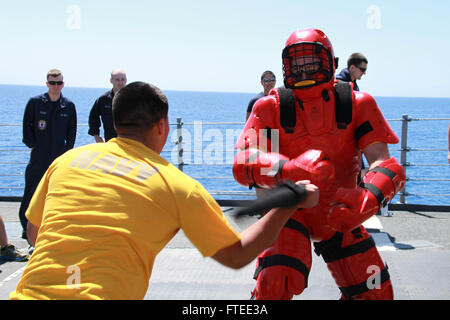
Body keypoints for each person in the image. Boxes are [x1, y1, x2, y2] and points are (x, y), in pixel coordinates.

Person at [10, 81, 319, 300]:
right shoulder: (178, 187)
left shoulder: (67, 161)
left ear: (116, 124)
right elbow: (237, 255)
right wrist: (290, 200)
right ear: (162, 126)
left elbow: (35, 232)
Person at [233, 29, 405, 300]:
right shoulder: (270, 108)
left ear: (330, 63)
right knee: (274, 284)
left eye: (311, 63)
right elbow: (244, 161)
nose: (304, 72)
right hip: (289, 212)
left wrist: (367, 199)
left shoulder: (357, 104)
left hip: (341, 212)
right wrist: (286, 168)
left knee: (375, 294)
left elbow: (385, 164)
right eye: (297, 66)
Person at [18, 69, 77, 240]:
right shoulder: (35, 103)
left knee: (58, 194)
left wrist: (67, 152)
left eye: (59, 83)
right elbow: (26, 127)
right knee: (31, 195)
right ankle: (27, 234)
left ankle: (53, 231)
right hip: (39, 157)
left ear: (63, 84)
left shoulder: (68, 105)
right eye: (52, 82)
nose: (56, 86)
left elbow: (71, 130)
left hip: (59, 159)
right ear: (47, 84)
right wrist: (33, 146)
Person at [88, 69, 127, 142]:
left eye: (123, 79)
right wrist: (96, 136)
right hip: (110, 142)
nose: (120, 83)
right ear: (111, 80)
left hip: (131, 144)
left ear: (126, 80)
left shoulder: (135, 99)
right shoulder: (103, 99)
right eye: (117, 80)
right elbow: (93, 117)